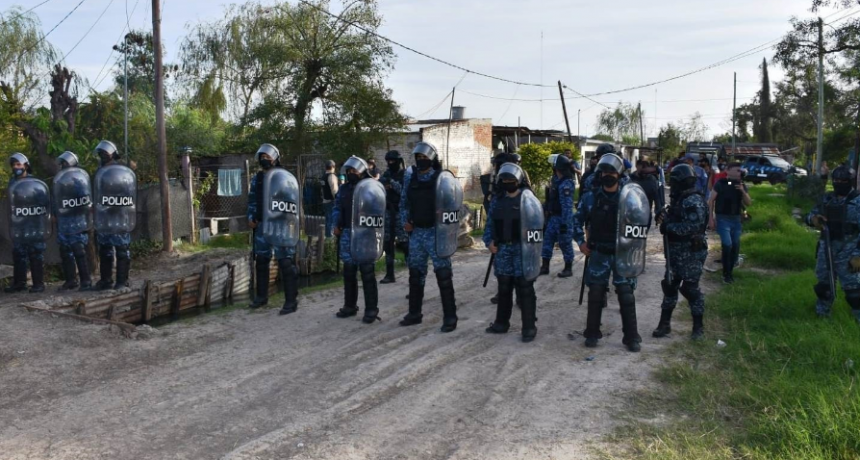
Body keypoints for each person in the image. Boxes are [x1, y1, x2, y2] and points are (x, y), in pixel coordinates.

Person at [574, 153, 642, 352]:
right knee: (595, 292)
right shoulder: (590, 197)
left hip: (622, 253)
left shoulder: (629, 198)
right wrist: (580, 242)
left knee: (626, 294)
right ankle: (592, 333)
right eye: (604, 171)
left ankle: (631, 338)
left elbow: (639, 223)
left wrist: (634, 246)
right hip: (599, 253)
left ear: (619, 174)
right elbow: (575, 221)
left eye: (612, 171)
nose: (608, 175)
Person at [399, 142, 459, 333]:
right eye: (419, 158)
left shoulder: (442, 179)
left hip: (436, 233)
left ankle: (450, 317)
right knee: (415, 275)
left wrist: (447, 230)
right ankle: (414, 314)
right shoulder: (411, 179)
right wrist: (405, 222)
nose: (422, 161)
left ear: (433, 159)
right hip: (417, 233)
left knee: (443, 275)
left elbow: (452, 204)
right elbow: (403, 204)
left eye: (425, 158)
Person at [483, 163, 539, 342]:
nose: (508, 183)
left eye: (511, 180)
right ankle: (501, 323)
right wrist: (489, 242)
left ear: (519, 180)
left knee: (525, 287)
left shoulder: (527, 199)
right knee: (504, 286)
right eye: (505, 180)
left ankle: (529, 327)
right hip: (503, 249)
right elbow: (490, 225)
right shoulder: (498, 201)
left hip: (522, 249)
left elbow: (537, 226)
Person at [653, 164, 709, 340]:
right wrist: (663, 217)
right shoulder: (680, 199)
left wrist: (669, 226)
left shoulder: (693, 200)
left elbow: (693, 226)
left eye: (675, 181)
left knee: (690, 289)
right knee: (670, 286)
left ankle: (698, 327)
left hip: (691, 252)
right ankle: (664, 324)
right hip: (675, 252)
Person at [246, 144, 300, 314]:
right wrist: (251, 217)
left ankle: (291, 301)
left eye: (267, 156)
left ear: (276, 158)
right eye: (262, 157)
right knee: (261, 260)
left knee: (285, 261)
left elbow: (292, 202)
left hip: (281, 225)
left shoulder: (284, 178)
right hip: (262, 225)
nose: (264, 159)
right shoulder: (258, 178)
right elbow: (252, 200)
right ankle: (261, 297)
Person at [807, 165, 860, 323]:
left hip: (849, 249)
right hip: (827, 247)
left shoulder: (858, 200)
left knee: (853, 289)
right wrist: (814, 220)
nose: (839, 183)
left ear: (850, 181)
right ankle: (822, 314)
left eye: (843, 180)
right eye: (836, 180)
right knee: (824, 284)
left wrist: (858, 254)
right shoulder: (827, 199)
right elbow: (810, 215)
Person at [332, 156, 382, 323]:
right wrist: (336, 223)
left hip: (366, 234)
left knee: (367, 272)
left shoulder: (371, 188)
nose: (351, 173)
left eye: (354, 171)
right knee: (349, 271)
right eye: (348, 171)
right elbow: (337, 207)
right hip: (348, 233)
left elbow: (378, 210)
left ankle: (371, 309)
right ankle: (350, 305)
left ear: (362, 171)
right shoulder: (344, 189)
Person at [93, 140, 134, 291]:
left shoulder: (121, 171)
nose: (102, 156)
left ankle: (122, 281)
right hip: (104, 217)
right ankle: (106, 280)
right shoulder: (100, 171)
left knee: (122, 248)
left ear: (113, 154)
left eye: (105, 153)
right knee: (104, 249)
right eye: (100, 154)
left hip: (119, 215)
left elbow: (128, 192)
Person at [4, 153, 47, 293]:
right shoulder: (12, 183)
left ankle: (38, 284)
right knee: (18, 253)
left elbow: (43, 205)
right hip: (19, 225)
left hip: (34, 224)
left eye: (18, 164)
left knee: (35, 253)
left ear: (26, 166)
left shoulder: (35, 183)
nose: (15, 167)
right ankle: (19, 283)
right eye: (14, 165)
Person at [53, 151, 92, 291]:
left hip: (77, 220)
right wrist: (54, 213)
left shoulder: (79, 180)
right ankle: (71, 280)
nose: (63, 165)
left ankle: (86, 281)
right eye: (61, 163)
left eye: (65, 162)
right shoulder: (60, 180)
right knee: (65, 251)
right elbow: (56, 200)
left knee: (79, 250)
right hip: (64, 221)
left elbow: (85, 200)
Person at [708, 163, 751, 284]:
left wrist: (743, 191)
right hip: (723, 219)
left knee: (735, 246)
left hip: (736, 220)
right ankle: (726, 275)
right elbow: (711, 201)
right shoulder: (721, 183)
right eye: (737, 170)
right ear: (728, 171)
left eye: (740, 170)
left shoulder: (741, 185)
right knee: (727, 244)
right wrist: (711, 218)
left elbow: (748, 203)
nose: (739, 172)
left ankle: (729, 273)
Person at [540, 154, 576, 278]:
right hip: (553, 217)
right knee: (547, 241)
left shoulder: (566, 183)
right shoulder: (556, 181)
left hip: (562, 218)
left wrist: (565, 224)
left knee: (565, 243)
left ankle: (568, 268)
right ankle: (545, 266)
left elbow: (566, 206)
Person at [380, 150, 408, 284]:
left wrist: (391, 183)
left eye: (392, 161)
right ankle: (389, 274)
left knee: (404, 242)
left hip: (399, 212)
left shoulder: (404, 175)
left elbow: (403, 191)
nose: (390, 164)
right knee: (387, 243)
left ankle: (412, 269)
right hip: (387, 212)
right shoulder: (386, 174)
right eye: (388, 161)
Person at [322, 160, 339, 238]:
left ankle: (327, 236)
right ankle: (330, 237)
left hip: (325, 200)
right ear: (333, 167)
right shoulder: (331, 176)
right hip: (331, 201)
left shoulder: (323, 177)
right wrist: (337, 199)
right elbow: (334, 189)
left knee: (327, 219)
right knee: (332, 220)